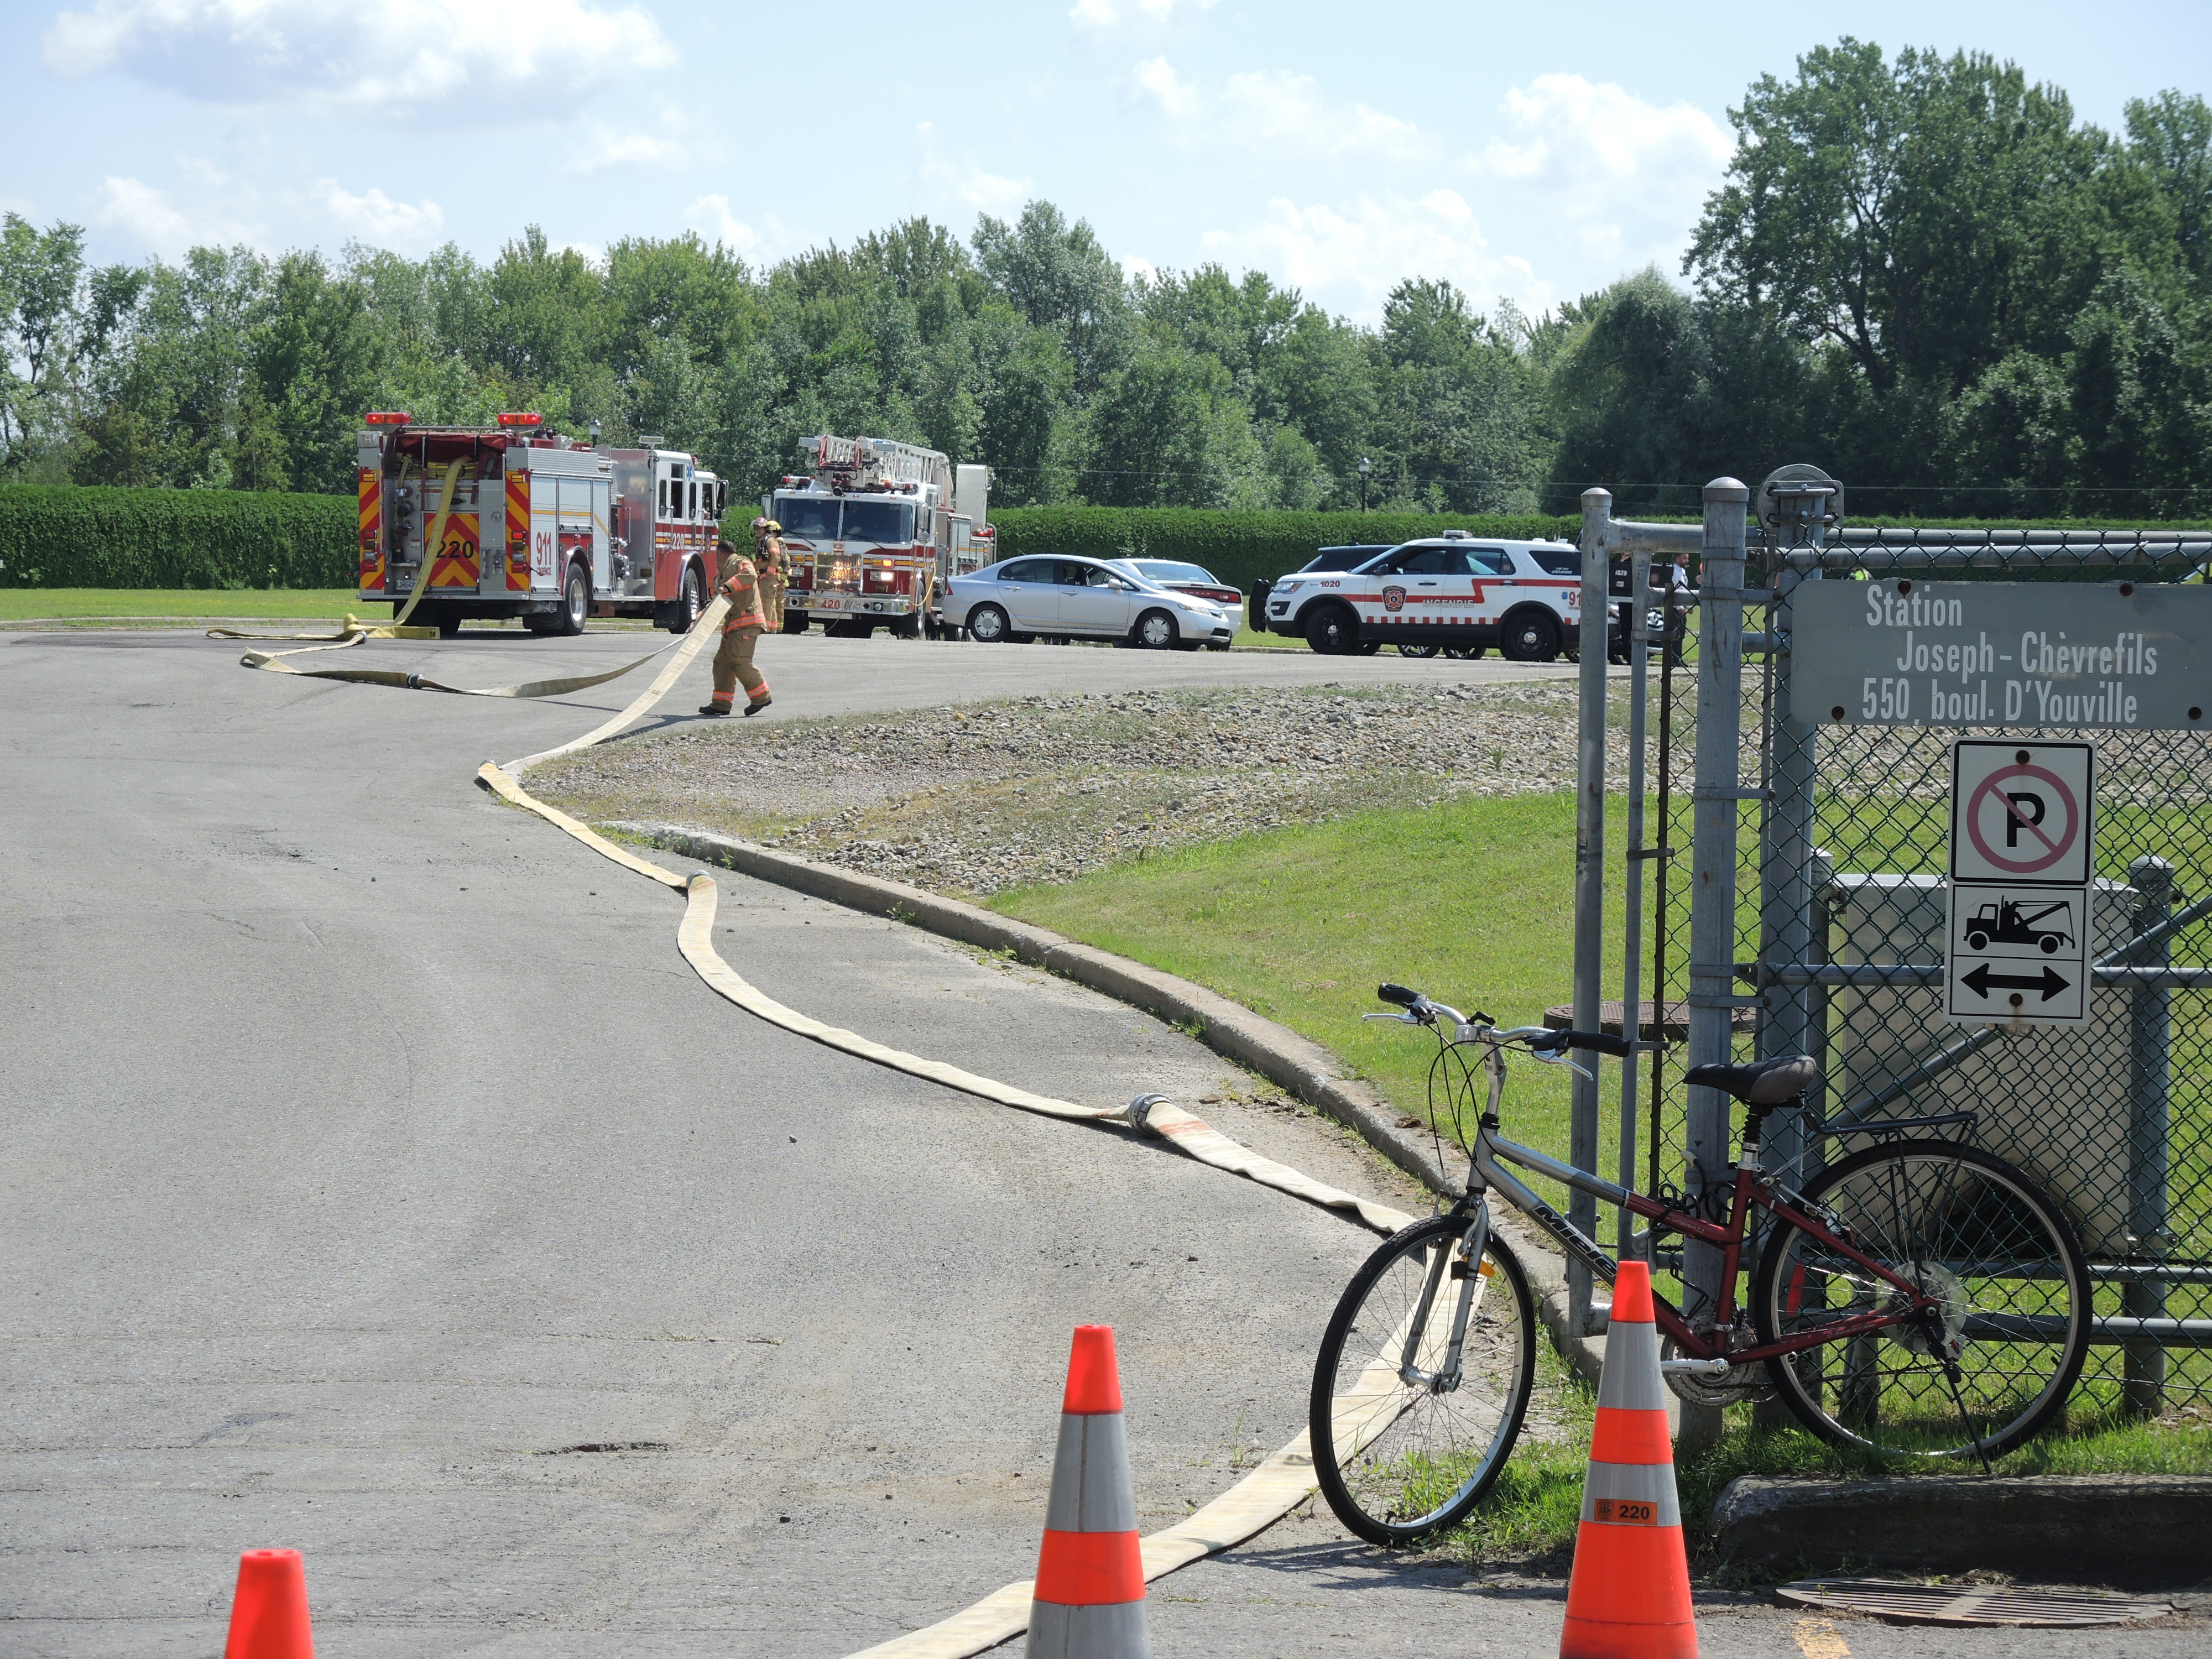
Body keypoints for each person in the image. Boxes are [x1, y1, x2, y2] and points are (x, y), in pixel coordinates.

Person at [699, 529, 770, 717]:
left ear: (720, 554)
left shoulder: (738, 562)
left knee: (739, 661)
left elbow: (749, 575)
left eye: (716, 557)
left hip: (746, 622)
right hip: (732, 627)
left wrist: (728, 587)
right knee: (721, 663)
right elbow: (717, 601)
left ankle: (762, 697)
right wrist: (699, 618)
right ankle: (721, 704)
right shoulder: (721, 575)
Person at [755, 518, 787, 632]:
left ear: (766, 529)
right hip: (764, 576)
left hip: (770, 577)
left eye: (760, 528)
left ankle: (766, 628)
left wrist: (770, 572)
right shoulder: (762, 541)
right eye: (756, 528)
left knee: (766, 603)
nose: (757, 531)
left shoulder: (770, 541)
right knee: (770, 603)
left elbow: (776, 557)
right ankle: (772, 628)